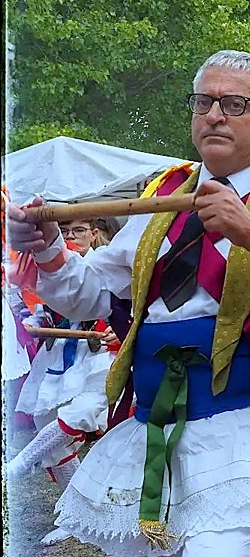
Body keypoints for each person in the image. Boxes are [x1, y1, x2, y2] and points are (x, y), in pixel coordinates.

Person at [4, 50, 250, 556]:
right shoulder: (159, 200)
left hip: (247, 426)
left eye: (234, 104)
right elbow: (94, 295)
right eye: (204, 102)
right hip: (154, 426)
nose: (214, 115)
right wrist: (49, 249)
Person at [6, 217, 125, 547]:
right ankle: (77, 517)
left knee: (75, 417)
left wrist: (123, 328)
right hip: (59, 356)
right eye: (66, 231)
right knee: (50, 430)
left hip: (102, 356)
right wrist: (31, 316)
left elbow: (133, 305)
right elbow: (31, 310)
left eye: (79, 230)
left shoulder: (109, 262)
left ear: (94, 233)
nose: (73, 236)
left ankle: (12, 471)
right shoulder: (42, 268)